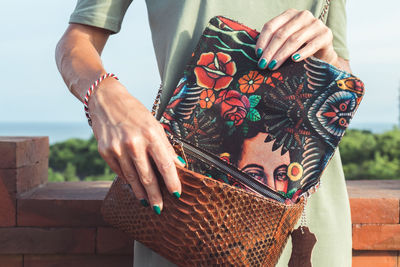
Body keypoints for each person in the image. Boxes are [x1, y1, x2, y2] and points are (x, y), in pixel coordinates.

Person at [56, 0, 353, 266]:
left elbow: (343, 76)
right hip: (183, 207)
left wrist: (327, 64)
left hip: (305, 215)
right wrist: (105, 97)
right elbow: (77, 41)